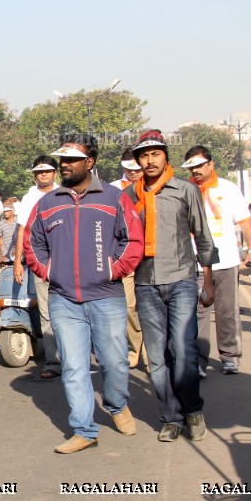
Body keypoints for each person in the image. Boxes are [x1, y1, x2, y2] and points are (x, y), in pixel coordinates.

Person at [25, 136, 143, 453]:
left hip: (107, 296)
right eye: (62, 160)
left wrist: (111, 270)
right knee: (75, 368)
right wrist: (49, 271)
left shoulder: (115, 198)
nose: (65, 165)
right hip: (64, 300)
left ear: (89, 163)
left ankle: (117, 405)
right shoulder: (47, 204)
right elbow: (32, 243)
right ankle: (84, 430)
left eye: (72, 160)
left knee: (115, 363)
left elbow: (133, 240)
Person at [125, 130, 217, 442]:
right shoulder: (130, 196)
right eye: (144, 155)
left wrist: (208, 278)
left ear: (166, 157)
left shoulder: (186, 189)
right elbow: (121, 239)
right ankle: (171, 416)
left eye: (155, 154)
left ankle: (192, 409)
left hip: (181, 279)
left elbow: (202, 235)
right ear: (138, 160)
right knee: (157, 356)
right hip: (146, 283)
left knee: (184, 349)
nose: (149, 160)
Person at [181, 145, 251, 376]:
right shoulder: (185, 190)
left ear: (211, 164)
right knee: (198, 313)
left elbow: (245, 222)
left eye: (199, 165)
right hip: (195, 262)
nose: (195, 170)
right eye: (191, 167)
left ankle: (230, 356)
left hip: (226, 259)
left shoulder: (228, 189)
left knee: (227, 311)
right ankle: (198, 361)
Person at [13, 155, 60, 379]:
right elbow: (22, 231)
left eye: (48, 171)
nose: (44, 174)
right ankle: (53, 361)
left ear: (55, 173)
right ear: (34, 175)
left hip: (68, 261)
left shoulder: (65, 193)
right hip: (41, 263)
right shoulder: (29, 198)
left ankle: (74, 356)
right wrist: (17, 262)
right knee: (46, 312)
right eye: (40, 171)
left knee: (73, 309)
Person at [114, 147, 147, 369]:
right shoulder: (114, 190)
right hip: (125, 256)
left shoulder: (153, 187)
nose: (133, 173)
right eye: (129, 169)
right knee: (128, 306)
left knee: (150, 306)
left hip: (151, 256)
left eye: (136, 168)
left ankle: (152, 352)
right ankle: (135, 348)